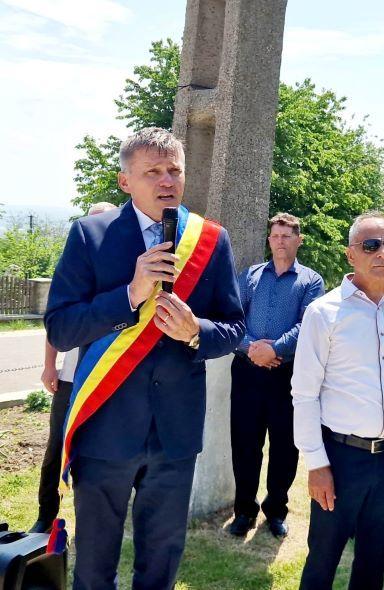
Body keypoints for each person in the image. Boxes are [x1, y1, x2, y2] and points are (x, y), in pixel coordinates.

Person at [45, 127, 244, 589]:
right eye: (152, 171)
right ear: (125, 181)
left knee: (161, 563)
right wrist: (130, 296)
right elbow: (61, 327)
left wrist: (196, 332)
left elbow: (234, 328)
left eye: (174, 170)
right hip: (105, 426)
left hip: (175, 431)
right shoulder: (90, 235)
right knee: (94, 566)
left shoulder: (211, 240)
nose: (167, 180)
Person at [292, 211, 384, 590]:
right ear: (350, 254)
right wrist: (316, 463)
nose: (383, 253)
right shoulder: (324, 312)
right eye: (371, 245)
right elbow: (304, 394)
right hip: (340, 459)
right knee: (322, 560)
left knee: (374, 560)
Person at [228, 212, 325, 538]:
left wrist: (275, 350)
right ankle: (244, 511)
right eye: (275, 236)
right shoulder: (250, 276)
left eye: (286, 236)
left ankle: (276, 510)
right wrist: (252, 348)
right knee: (245, 444)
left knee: (285, 447)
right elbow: (233, 317)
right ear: (269, 240)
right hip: (247, 372)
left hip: (287, 375)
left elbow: (307, 325)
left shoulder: (311, 281)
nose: (280, 241)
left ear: (299, 240)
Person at [30, 202, 117, 534]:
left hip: (106, 379)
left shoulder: (120, 272)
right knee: (55, 449)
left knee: (97, 454)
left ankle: (92, 521)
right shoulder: (74, 270)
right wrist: (49, 366)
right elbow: (56, 323)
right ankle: (45, 515)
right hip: (69, 381)